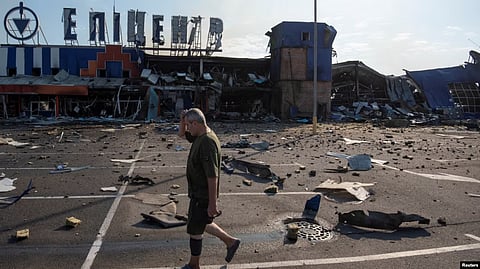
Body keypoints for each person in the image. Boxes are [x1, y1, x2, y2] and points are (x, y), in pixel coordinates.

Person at [178, 108, 241, 269]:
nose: (187, 129)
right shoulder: (200, 134)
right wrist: (182, 120)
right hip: (198, 193)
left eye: (188, 125)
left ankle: (194, 264)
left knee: (195, 230)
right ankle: (230, 242)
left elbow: (212, 176)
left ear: (196, 123)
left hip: (202, 194)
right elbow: (182, 134)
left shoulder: (207, 142)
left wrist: (213, 203)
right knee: (201, 222)